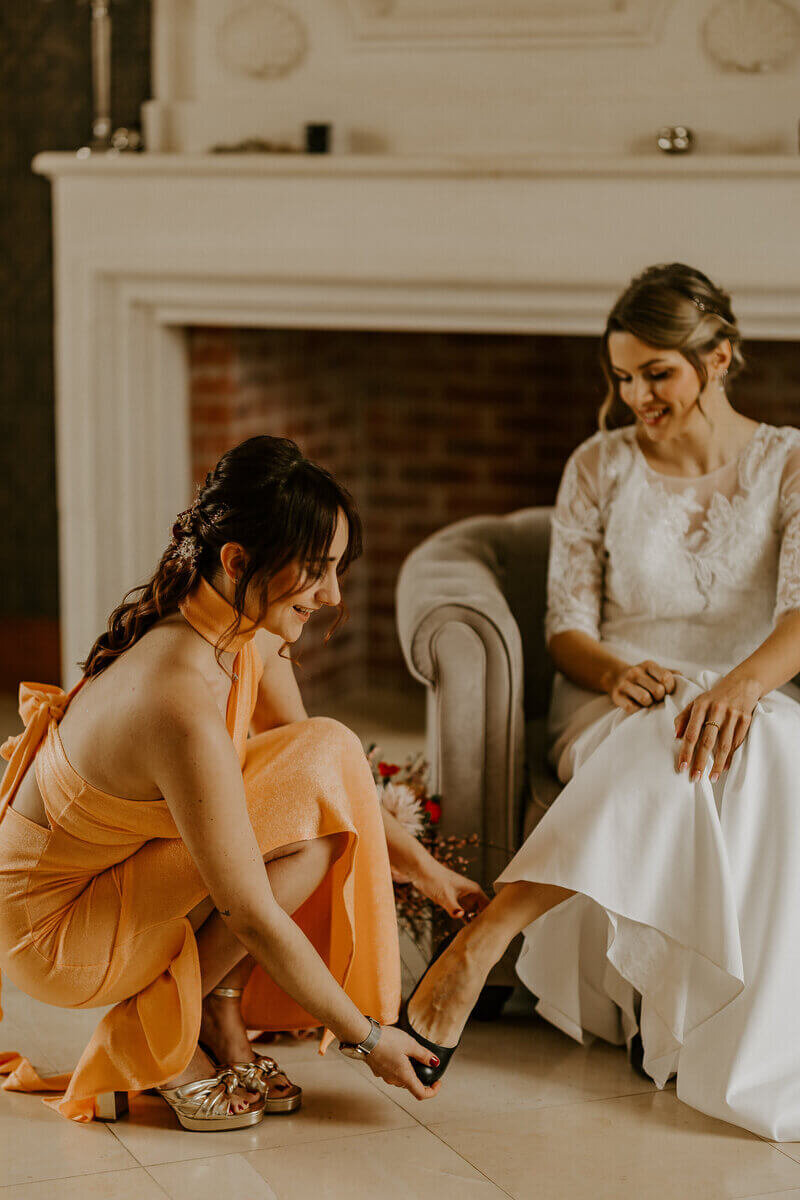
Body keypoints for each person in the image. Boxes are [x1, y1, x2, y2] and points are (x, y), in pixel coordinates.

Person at [402, 263, 800, 1140]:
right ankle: (483, 943)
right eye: (622, 377)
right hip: (612, 695)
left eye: (656, 373)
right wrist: (616, 671)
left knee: (767, 748)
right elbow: (564, 628)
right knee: (664, 732)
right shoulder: (599, 466)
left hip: (749, 692)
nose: (637, 396)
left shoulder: (790, 462)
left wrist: (736, 686)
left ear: (721, 358)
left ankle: (697, 1030)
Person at [0, 435, 487, 1129]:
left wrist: (427, 871)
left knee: (322, 766)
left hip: (105, 876)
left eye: (337, 569)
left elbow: (323, 772)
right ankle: (159, 1038)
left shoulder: (241, 627)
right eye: (316, 571)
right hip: (56, 934)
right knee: (300, 838)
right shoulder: (179, 701)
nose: (333, 594)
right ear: (237, 560)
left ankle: (212, 1011)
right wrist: (370, 1038)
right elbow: (249, 912)